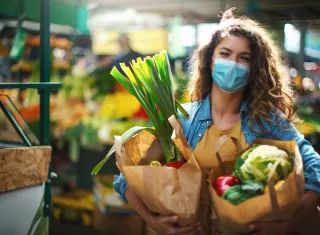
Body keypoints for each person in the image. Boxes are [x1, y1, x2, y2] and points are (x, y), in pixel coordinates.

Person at [113, 9, 320, 235]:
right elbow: (126, 178)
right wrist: (152, 220)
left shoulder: (267, 120)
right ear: (210, 62)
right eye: (225, 53)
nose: (233, 63)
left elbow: (315, 168)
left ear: (253, 70)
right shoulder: (181, 119)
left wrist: (292, 222)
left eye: (244, 58)